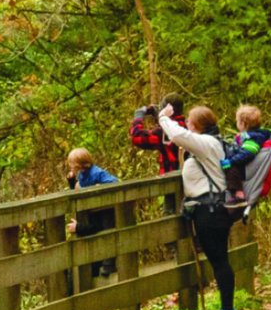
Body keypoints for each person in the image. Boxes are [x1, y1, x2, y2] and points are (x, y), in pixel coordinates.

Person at [158, 104, 236, 310]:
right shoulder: (212, 141)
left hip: (210, 211)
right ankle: (228, 308)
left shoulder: (206, 143)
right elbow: (179, 137)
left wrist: (163, 117)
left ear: (195, 125)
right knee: (220, 259)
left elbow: (178, 135)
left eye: (189, 122)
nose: (187, 125)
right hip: (214, 208)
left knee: (219, 260)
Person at [66, 148, 118, 277]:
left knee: (107, 235)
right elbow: (79, 190)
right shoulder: (81, 175)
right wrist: (72, 181)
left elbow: (115, 182)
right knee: (99, 236)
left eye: (72, 163)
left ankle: (108, 266)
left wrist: (98, 188)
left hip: (105, 209)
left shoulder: (96, 173)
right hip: (92, 211)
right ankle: (100, 267)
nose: (70, 166)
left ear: (79, 164)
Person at [223, 104, 271, 205]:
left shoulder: (253, 138)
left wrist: (231, 161)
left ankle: (239, 195)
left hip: (245, 167)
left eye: (237, 121)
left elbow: (247, 154)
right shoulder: (249, 135)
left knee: (231, 170)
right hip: (244, 165)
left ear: (243, 124)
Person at [130, 94, 185, 174]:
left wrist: (138, 117)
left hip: (172, 177)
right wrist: (158, 115)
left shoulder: (162, 133)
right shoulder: (187, 125)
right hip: (187, 175)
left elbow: (137, 138)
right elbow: (170, 123)